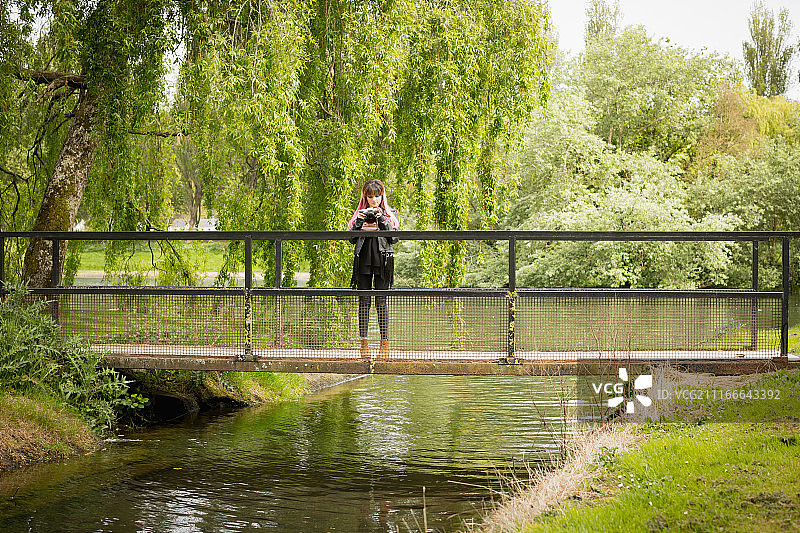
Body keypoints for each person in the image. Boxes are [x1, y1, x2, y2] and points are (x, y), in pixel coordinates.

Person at [348, 179, 399, 358]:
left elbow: (394, 239)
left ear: (382, 196)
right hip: (363, 260)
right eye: (370, 197)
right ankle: (364, 344)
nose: (374, 200)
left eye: (377, 196)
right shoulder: (358, 215)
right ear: (365, 197)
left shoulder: (391, 214)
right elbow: (352, 239)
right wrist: (359, 222)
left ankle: (384, 344)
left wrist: (381, 218)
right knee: (363, 302)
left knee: (381, 302)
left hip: (383, 261)